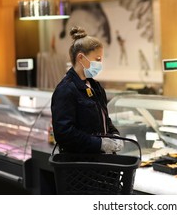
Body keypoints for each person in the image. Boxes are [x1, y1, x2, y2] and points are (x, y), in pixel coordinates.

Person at [51, 26, 123, 154]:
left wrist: (114, 134)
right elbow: (64, 133)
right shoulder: (66, 89)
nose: (100, 64)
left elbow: (104, 118)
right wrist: (99, 143)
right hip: (80, 166)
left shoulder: (96, 87)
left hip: (100, 162)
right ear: (81, 58)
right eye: (97, 59)